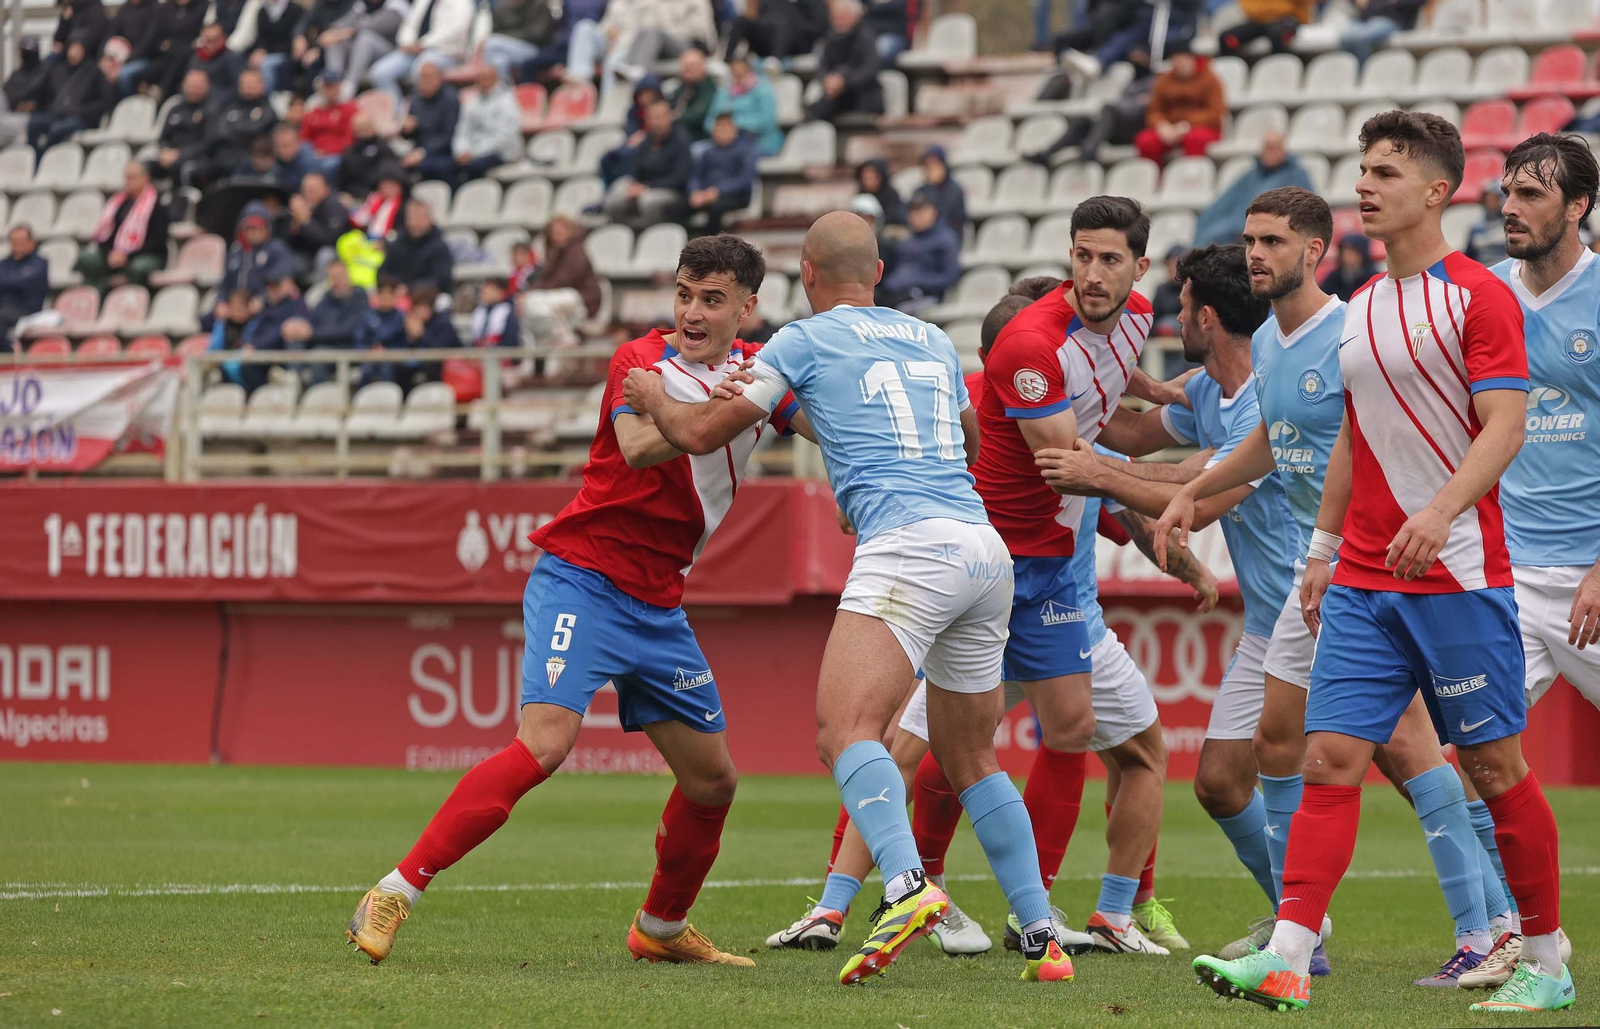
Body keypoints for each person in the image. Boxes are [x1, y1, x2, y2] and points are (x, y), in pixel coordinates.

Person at [622, 212, 1077, 986]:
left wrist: (648, 394)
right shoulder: (932, 337)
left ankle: (903, 886)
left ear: (805, 273)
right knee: (973, 756)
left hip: (908, 549)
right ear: (879, 268)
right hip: (981, 544)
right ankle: (1042, 934)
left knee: (844, 731)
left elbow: (701, 435)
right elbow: (966, 442)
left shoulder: (798, 340)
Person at [1190, 110, 1575, 1017]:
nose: (1365, 185)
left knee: (1494, 770)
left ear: (1438, 191)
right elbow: (1352, 443)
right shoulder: (1360, 309)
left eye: (1387, 173)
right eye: (1363, 169)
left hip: (1457, 572)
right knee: (1326, 758)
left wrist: (1440, 513)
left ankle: (1548, 959)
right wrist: (1323, 552)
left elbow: (1506, 426)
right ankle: (1287, 957)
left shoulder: (1479, 295)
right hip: (1364, 576)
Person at [345, 235, 805, 969]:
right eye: (684, 292)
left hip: (659, 603)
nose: (691, 310)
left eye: (711, 299)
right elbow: (641, 448)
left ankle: (660, 927)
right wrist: (712, 405)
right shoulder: (638, 362)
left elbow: (821, 426)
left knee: (713, 779)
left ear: (747, 307)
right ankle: (395, 889)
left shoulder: (758, 374)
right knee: (546, 744)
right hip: (584, 577)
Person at [775, 276, 1216, 958]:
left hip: (1020, 596)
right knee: (958, 747)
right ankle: (997, 908)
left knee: (908, 741)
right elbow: (1118, 482)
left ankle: (1014, 904)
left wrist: (1186, 559)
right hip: (1013, 588)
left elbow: (1119, 497)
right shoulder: (1024, 406)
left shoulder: (1033, 408)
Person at [1141, 197, 1517, 984]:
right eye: (1249, 240)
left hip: (1380, 564)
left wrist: (1347, 541)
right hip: (1326, 572)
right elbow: (1273, 441)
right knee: (1283, 745)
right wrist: (1194, 489)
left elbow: (1378, 436)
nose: (1256, 254)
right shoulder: (1275, 339)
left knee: (1414, 752)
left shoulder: (1351, 328)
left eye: (1272, 241)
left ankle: (1489, 931)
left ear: (1315, 249)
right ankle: (1298, 934)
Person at [1025, 47, 1156, 168]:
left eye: (1139, 57)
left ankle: (1090, 150)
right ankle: (1047, 153)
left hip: (1137, 128)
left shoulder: (1155, 81)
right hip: (1118, 126)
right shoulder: (1132, 81)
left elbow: (1143, 109)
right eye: (1133, 57)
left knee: (1109, 109)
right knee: (1084, 121)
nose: (1136, 60)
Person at [565, 0, 717, 105]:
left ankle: (613, 99)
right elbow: (608, 24)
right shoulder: (620, 2)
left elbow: (700, 31)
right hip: (647, 42)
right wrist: (608, 33)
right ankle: (580, 79)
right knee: (584, 27)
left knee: (615, 59)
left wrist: (667, 31)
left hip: (690, 46)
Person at [1194, 132, 1316, 247]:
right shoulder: (1251, 176)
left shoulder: (1296, 176)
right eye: (1267, 147)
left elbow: (1307, 209)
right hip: (1234, 230)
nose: (1270, 152)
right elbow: (1224, 203)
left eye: (1274, 147)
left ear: (1284, 150)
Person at [76, 161, 169, 292]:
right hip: (116, 254)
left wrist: (127, 256)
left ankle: (132, 301)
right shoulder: (118, 204)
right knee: (86, 259)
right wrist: (111, 254)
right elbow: (107, 236)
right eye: (126, 178)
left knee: (139, 267)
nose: (128, 182)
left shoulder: (156, 206)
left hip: (146, 255)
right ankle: (96, 296)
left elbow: (157, 241)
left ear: (145, 179)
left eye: (132, 178)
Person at [601, 99, 692, 231]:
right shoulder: (646, 141)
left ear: (669, 117)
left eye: (659, 117)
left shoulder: (681, 140)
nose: (655, 122)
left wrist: (648, 187)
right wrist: (635, 185)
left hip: (672, 190)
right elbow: (635, 168)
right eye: (651, 118)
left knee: (647, 202)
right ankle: (625, 236)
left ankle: (652, 238)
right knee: (613, 199)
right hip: (644, 187)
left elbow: (680, 178)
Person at [1134, 45, 1224, 165]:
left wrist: (1187, 125)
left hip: (1201, 128)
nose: (1180, 64)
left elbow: (1215, 113)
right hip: (1170, 129)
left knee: (1194, 139)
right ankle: (1155, 179)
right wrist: (1162, 125)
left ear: (1192, 60)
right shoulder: (1163, 81)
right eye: (1176, 60)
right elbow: (1154, 111)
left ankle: (1191, 177)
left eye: (1183, 60)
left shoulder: (1210, 79)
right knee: (1145, 141)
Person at [368, 0, 475, 100]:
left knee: (421, 70)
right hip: (415, 50)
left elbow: (455, 30)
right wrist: (407, 42)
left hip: (446, 52)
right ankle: (397, 114)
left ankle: (417, 112)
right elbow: (409, 24)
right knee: (380, 73)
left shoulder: (462, 2)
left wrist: (423, 44)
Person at [280, 260, 369, 380]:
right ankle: (291, 380)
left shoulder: (359, 298)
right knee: (295, 339)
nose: (337, 282)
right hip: (322, 345)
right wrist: (297, 327)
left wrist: (312, 333)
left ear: (348, 276)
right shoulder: (326, 299)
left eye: (339, 276)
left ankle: (314, 395)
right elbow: (311, 322)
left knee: (319, 355)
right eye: (332, 278)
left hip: (349, 348)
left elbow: (348, 331)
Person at [521, 215, 602, 346]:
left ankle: (565, 336)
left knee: (535, 302)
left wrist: (534, 292)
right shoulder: (555, 252)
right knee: (529, 305)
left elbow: (565, 279)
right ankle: (559, 337)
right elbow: (545, 277)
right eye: (553, 232)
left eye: (560, 231)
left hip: (583, 299)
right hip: (561, 297)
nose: (556, 235)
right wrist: (529, 292)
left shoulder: (577, 251)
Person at [25, 40, 117, 153]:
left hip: (82, 118)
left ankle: (42, 158)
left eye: (78, 49)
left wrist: (82, 111)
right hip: (58, 115)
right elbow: (47, 96)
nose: (73, 53)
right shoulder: (60, 70)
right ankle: (32, 156)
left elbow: (104, 101)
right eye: (72, 49)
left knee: (57, 129)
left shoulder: (94, 72)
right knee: (34, 123)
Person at [877, 195, 959, 313]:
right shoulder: (907, 241)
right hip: (894, 291)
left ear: (933, 212)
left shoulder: (945, 240)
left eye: (921, 212)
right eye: (913, 213)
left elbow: (949, 277)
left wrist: (914, 281)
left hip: (926, 295)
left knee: (896, 312)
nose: (916, 217)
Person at [806, 0, 883, 123]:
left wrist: (845, 81)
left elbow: (870, 69)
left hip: (863, 93)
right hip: (837, 95)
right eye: (835, 16)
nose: (837, 20)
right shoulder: (830, 38)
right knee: (814, 111)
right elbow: (822, 66)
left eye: (842, 16)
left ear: (855, 17)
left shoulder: (866, 37)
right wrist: (827, 80)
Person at [682, 112, 757, 235]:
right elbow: (695, 175)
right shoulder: (708, 152)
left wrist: (718, 191)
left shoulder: (745, 151)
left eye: (726, 128)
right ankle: (684, 243)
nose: (722, 132)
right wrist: (694, 191)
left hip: (735, 196)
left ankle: (711, 246)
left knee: (715, 208)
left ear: (735, 130)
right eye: (719, 128)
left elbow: (745, 179)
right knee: (678, 206)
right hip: (706, 195)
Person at [236, 274, 311, 394]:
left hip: (283, 356)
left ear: (287, 284)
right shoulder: (265, 308)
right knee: (246, 367)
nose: (272, 290)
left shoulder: (296, 304)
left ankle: (293, 388)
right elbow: (255, 333)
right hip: (264, 355)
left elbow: (286, 331)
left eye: (276, 286)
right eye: (270, 286)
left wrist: (257, 346)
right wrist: (252, 345)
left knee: (293, 338)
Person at [203, 68, 277, 188]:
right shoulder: (230, 106)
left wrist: (233, 128)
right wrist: (239, 129)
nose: (248, 87)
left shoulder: (267, 109)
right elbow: (219, 131)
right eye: (245, 83)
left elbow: (255, 129)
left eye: (252, 83)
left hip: (250, 158)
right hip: (222, 155)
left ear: (262, 85)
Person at [450, 63, 522, 188]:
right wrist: (461, 150)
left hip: (501, 153)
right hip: (472, 152)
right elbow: (462, 130)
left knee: (473, 167)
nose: (483, 81)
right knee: (446, 165)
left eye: (487, 77)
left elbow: (503, 138)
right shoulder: (472, 102)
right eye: (480, 78)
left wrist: (474, 153)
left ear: (496, 78)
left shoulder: (507, 102)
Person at [320, 0, 410, 97]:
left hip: (390, 53)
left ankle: (349, 87)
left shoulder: (397, 5)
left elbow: (375, 25)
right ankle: (332, 81)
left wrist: (346, 32)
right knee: (335, 40)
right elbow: (347, 21)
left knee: (366, 37)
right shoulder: (363, 4)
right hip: (361, 52)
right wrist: (332, 31)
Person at [703, 54, 783, 158]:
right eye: (734, 69)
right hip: (722, 143)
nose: (737, 72)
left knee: (737, 157)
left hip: (758, 141)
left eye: (741, 68)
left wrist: (734, 128)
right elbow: (710, 120)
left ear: (749, 69)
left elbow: (767, 120)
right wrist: (721, 132)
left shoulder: (763, 88)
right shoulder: (724, 91)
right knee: (699, 152)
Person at [155, 69, 217, 189]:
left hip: (196, 158)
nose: (193, 89)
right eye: (190, 86)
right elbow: (163, 137)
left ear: (206, 87)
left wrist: (180, 154)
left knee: (181, 167)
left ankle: (179, 203)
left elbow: (208, 143)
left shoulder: (212, 110)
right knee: (144, 167)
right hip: (170, 155)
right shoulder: (175, 108)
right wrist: (164, 151)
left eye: (197, 86)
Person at [284, 171, 350, 282]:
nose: (309, 193)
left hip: (331, 254)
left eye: (313, 189)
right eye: (306, 190)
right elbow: (287, 240)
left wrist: (306, 222)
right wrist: (295, 223)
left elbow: (330, 239)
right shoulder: (301, 207)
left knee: (325, 254)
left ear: (326, 189)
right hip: (305, 254)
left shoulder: (334, 206)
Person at [399, 61, 459, 182]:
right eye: (422, 78)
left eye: (429, 78)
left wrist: (422, 153)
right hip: (417, 150)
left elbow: (448, 136)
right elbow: (408, 135)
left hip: (442, 152)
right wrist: (406, 129)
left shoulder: (450, 100)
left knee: (431, 166)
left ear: (439, 79)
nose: (425, 82)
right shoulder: (416, 99)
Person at [136, 0, 208, 100]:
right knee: (138, 75)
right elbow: (156, 38)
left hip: (187, 54)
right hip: (165, 55)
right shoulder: (165, 9)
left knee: (178, 59)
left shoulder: (203, 7)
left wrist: (174, 44)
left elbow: (199, 37)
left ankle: (162, 91)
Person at [380, 199, 454, 296]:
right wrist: (392, 287)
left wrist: (410, 288)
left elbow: (439, 281)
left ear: (429, 219)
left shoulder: (439, 247)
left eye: (419, 218)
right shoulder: (398, 243)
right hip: (395, 296)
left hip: (427, 298)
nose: (414, 223)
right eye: (411, 218)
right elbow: (383, 272)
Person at [223, 201, 295, 295]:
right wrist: (221, 300)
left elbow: (280, 277)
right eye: (249, 228)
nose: (253, 232)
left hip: (265, 302)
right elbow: (225, 281)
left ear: (267, 228)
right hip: (236, 302)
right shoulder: (236, 250)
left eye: (257, 228)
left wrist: (261, 298)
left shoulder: (276, 248)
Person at [722, 0, 828, 62]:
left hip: (796, 41)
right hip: (767, 38)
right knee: (741, 20)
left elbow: (818, 27)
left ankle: (775, 63)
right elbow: (759, 17)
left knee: (782, 24)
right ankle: (727, 60)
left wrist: (795, 25)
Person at [352, 275, 410, 386]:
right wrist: (370, 350)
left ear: (395, 297)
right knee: (368, 369)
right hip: (369, 357)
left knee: (386, 368)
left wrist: (388, 352)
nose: (386, 299)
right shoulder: (367, 316)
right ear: (378, 296)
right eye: (383, 295)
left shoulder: (403, 318)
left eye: (389, 295)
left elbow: (405, 343)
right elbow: (359, 340)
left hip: (395, 359)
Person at [479, 0, 560, 80]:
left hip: (533, 50)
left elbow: (535, 35)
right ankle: (503, 90)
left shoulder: (539, 4)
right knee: (500, 61)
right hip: (507, 49)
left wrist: (506, 37)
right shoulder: (502, 7)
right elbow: (495, 31)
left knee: (491, 43)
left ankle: (490, 87)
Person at [0, 225, 48, 349]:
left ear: (32, 243)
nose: (17, 245)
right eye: (14, 241)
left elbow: (24, 282)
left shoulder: (39, 263)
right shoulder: (4, 263)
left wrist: (7, 281)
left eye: (21, 241)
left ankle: (6, 355)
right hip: (4, 308)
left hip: (26, 310)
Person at [242, 0, 303, 94]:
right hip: (269, 53)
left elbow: (292, 39)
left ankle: (267, 96)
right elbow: (261, 38)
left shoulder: (295, 10)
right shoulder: (262, 11)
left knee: (266, 64)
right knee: (251, 61)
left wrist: (268, 52)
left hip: (288, 53)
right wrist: (260, 50)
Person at [1340, 0, 1428, 65]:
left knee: (1362, 38)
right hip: (1368, 20)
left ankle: (1362, 76)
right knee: (1345, 37)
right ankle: (1347, 77)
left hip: (1393, 20)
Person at [301, 73, 358, 167]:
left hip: (338, 155)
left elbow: (349, 139)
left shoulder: (349, 109)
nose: (329, 91)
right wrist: (313, 152)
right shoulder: (314, 111)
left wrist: (328, 152)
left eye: (332, 87)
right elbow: (305, 137)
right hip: (315, 154)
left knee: (331, 164)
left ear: (339, 87)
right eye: (326, 87)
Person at [1218, 0, 1314, 56]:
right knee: (1226, 38)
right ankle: (1238, 71)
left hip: (1287, 18)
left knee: (1276, 35)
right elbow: (1248, 8)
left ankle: (1280, 68)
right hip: (1259, 21)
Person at [336, 112, 396, 200]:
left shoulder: (383, 149)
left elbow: (390, 175)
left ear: (372, 127)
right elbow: (341, 181)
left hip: (379, 195)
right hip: (353, 196)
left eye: (365, 127)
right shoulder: (349, 153)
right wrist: (343, 194)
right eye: (358, 128)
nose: (361, 131)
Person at [666, 47, 717, 145]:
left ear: (702, 67)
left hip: (699, 137)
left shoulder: (709, 87)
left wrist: (673, 117)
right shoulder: (683, 86)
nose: (686, 73)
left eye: (690, 69)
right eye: (685, 69)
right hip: (678, 135)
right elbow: (671, 104)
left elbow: (699, 114)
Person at [913, 146, 965, 236]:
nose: (931, 168)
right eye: (927, 165)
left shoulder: (954, 190)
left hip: (947, 237)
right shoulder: (921, 190)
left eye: (935, 164)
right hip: (921, 235)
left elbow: (951, 218)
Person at [188, 22, 245, 97]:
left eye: (215, 40)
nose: (210, 44)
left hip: (221, 102)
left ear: (223, 38)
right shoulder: (197, 57)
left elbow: (238, 88)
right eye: (207, 40)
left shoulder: (233, 59)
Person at [1320, 233, 1378, 301]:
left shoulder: (1373, 279)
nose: (1347, 255)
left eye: (1352, 250)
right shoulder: (1333, 278)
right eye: (1344, 251)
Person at [1465, 184, 1509, 266]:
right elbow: (1469, 256)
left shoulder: (1510, 225)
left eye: (1495, 199)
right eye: (1488, 199)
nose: (1491, 203)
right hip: (1482, 272)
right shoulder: (1476, 228)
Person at [269, 122, 319, 191]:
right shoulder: (275, 162)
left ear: (298, 143)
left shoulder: (309, 163)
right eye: (278, 146)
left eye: (286, 146)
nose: (281, 150)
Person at [855, 158, 904, 226]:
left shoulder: (890, 195)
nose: (869, 180)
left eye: (872, 176)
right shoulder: (860, 196)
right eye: (866, 176)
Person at [470, 277, 516, 348]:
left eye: (491, 289)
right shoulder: (478, 311)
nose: (485, 292)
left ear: (501, 293)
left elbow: (510, 342)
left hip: (499, 353)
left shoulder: (507, 312)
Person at [1150, 244, 1185, 335]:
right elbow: (1153, 317)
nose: (1172, 268)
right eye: (1169, 264)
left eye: (1175, 264)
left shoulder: (1189, 289)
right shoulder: (1161, 289)